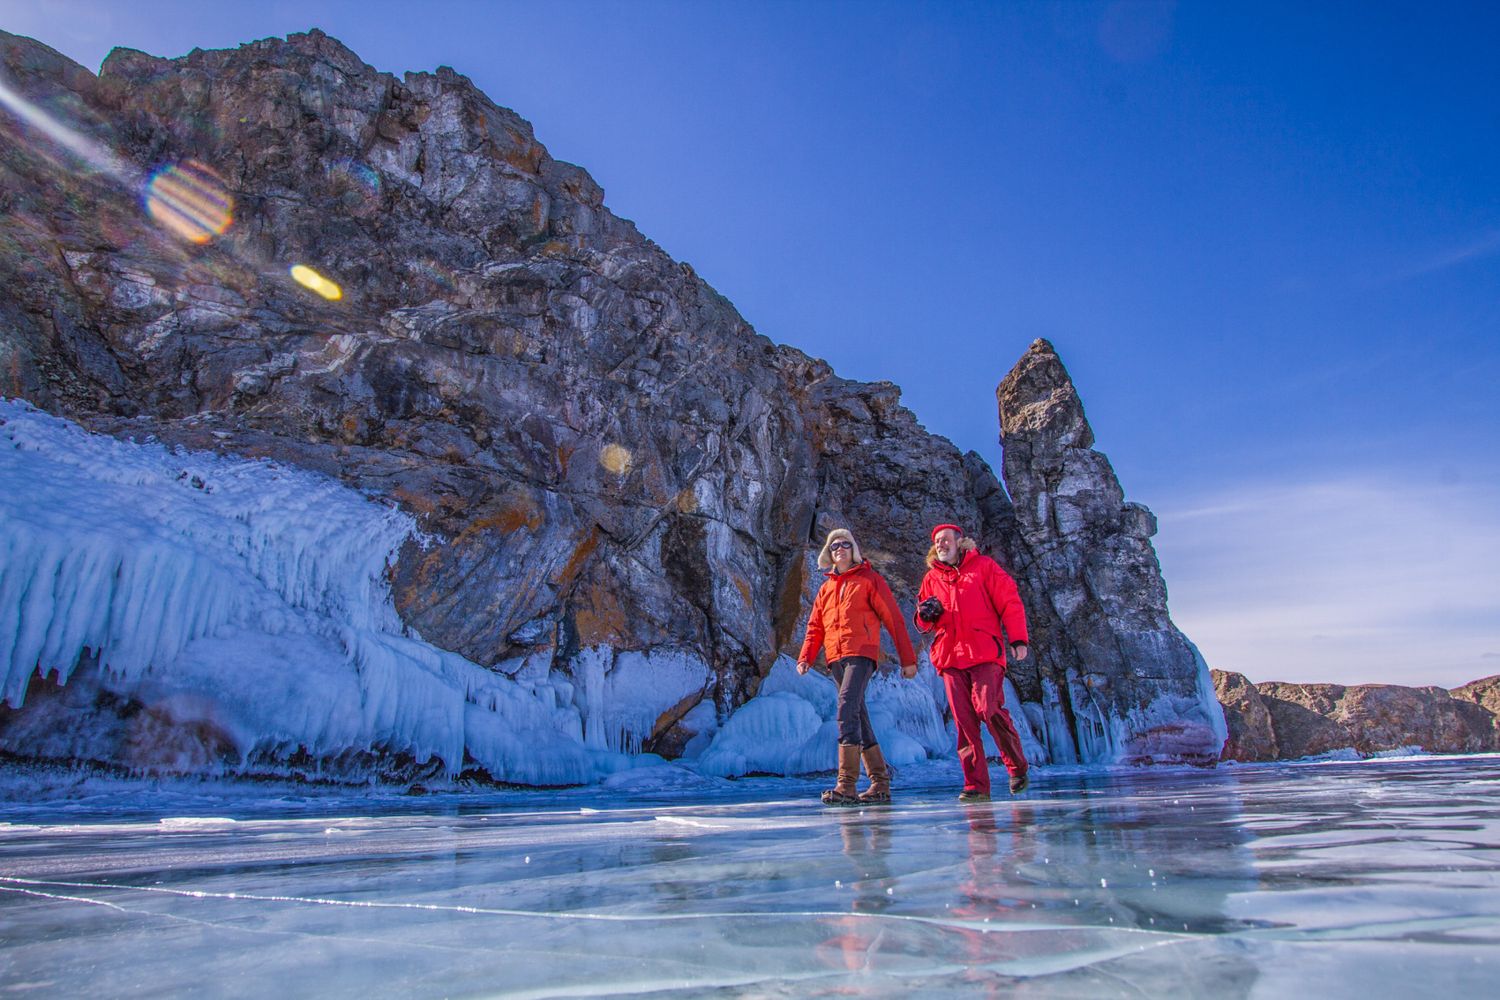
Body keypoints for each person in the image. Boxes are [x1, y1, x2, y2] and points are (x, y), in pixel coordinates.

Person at [797, 527, 918, 805]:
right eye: (834, 546)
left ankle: (847, 784)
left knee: (846, 707)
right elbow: (815, 626)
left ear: (854, 550)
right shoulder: (826, 588)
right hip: (835, 657)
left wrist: (908, 660)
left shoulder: (869, 580)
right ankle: (879, 782)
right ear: (829, 554)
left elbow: (893, 619)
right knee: (858, 715)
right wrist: (805, 656)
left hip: (861, 653)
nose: (839, 548)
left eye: (845, 544)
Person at [914, 523, 1031, 802]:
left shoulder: (984, 567)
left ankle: (1017, 767)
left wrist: (1018, 639)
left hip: (984, 653)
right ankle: (975, 784)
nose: (941, 544)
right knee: (964, 723)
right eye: (937, 541)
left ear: (959, 542)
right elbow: (922, 620)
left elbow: (1010, 601)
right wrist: (925, 615)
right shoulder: (931, 578)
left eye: (945, 540)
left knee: (989, 708)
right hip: (951, 657)